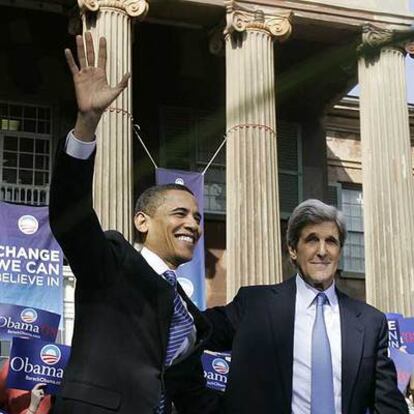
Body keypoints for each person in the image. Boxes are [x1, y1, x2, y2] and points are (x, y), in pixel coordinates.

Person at [49, 32, 216, 413]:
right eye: (180, 213)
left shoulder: (188, 316)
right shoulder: (111, 262)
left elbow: (195, 399)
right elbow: (68, 214)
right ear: (142, 221)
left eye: (197, 216)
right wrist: (86, 123)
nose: (193, 224)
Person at [204, 199, 407, 414]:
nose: (322, 251)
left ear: (339, 250)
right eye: (312, 240)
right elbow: (186, 332)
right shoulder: (254, 305)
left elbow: (390, 406)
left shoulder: (370, 323)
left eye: (331, 241)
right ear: (293, 249)